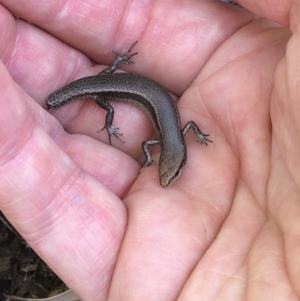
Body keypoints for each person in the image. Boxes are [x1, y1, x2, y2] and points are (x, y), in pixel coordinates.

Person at [0, 0, 297, 300]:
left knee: (99, 84)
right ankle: (77, 100)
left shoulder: (169, 140)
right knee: (91, 103)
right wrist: (122, 136)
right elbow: (174, 133)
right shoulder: (168, 139)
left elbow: (167, 136)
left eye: (170, 171)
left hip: (118, 84)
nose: (169, 175)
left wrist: (153, 155)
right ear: (176, 158)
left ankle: (99, 77)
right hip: (106, 88)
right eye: (171, 169)